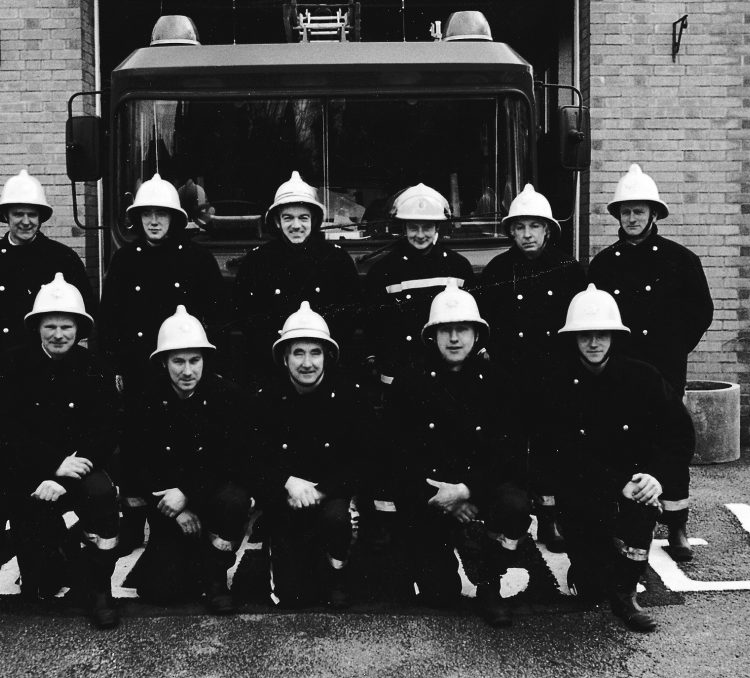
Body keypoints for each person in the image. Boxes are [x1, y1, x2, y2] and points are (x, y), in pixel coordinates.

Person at [543, 283, 694, 632]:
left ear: (614, 335)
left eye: (602, 334)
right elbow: (559, 452)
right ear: (573, 338)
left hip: (635, 485)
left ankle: (627, 592)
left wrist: (657, 476)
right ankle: (587, 562)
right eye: (584, 335)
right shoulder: (556, 384)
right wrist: (615, 484)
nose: (594, 343)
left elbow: (679, 433)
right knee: (590, 583)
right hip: (582, 488)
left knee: (640, 513)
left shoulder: (643, 377)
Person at [0, 169, 96, 552]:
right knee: (1, 448)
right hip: (7, 371)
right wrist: (13, 357)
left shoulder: (62, 258)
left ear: (42, 217)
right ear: (5, 215)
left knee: (51, 440)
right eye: (17, 213)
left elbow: (85, 315)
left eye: (32, 214)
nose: (25, 221)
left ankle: (46, 518)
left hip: (53, 369)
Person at [385, 282, 530, 627]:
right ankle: (447, 549)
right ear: (431, 336)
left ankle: (490, 582)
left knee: (515, 506)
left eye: (462, 329)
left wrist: (466, 491)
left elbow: (509, 452)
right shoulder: (410, 382)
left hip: (478, 490)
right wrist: (440, 496)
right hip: (430, 495)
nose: (454, 338)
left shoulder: (498, 381)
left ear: (477, 335)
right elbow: (395, 451)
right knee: (440, 596)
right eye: (445, 330)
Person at [588, 164, 713, 561]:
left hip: (663, 369)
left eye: (639, 210)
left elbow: (701, 312)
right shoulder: (604, 264)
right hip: (620, 370)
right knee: (617, 441)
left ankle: (677, 524)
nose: (632, 217)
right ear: (617, 216)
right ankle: (620, 518)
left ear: (654, 213)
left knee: (668, 439)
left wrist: (674, 347)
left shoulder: (681, 259)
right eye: (625, 211)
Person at [0, 273, 121, 629]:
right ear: (37, 327)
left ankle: (99, 586)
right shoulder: (10, 366)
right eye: (51, 326)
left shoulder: (97, 369)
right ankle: (55, 554)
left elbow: (106, 430)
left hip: (80, 470)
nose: (59, 334)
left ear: (79, 329)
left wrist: (66, 477)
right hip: (28, 471)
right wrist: (51, 465)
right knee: (40, 585)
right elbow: (4, 428)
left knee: (102, 494)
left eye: (67, 326)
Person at [100, 174, 226, 553]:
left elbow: (216, 317)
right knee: (138, 442)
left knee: (188, 440)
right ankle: (135, 521)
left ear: (175, 217)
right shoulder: (125, 259)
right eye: (146, 214)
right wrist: (114, 366)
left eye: (162, 214)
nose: (154, 222)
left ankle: (190, 508)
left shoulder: (197, 260)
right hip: (140, 369)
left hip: (184, 367)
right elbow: (110, 320)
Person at [477, 184, 586, 553]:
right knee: (509, 447)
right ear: (511, 230)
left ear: (547, 230)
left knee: (551, 447)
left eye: (534, 227)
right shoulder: (496, 270)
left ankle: (550, 519)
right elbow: (482, 323)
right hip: (508, 377)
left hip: (554, 376)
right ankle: (513, 518)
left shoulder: (569, 272)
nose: (527, 235)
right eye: (520, 227)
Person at [128, 306, 252, 613]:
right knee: (159, 591)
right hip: (167, 505)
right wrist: (177, 511)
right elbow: (136, 461)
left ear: (204, 360)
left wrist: (188, 493)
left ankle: (216, 576)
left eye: (194, 360)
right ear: (164, 362)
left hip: (210, 498)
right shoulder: (146, 401)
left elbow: (233, 458)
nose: (187, 371)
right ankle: (190, 558)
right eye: (178, 361)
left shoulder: (227, 395)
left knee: (234, 499)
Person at [252, 301, 370, 608]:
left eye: (315, 352)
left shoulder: (349, 397)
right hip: (287, 498)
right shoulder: (266, 400)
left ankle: (338, 573)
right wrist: (286, 482)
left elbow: (363, 459)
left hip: (331, 498)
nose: (307, 363)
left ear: (327, 356)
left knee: (336, 521)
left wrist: (323, 491)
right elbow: (254, 457)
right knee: (292, 596)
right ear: (285, 358)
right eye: (298, 353)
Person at [233, 171, 361, 385]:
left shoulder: (336, 260)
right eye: (287, 218)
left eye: (303, 218)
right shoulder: (257, 262)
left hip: (324, 369)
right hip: (271, 368)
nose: (296, 225)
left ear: (314, 219)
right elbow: (248, 319)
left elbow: (349, 317)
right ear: (276, 220)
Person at [364, 183, 475, 387]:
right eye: (414, 227)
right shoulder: (383, 271)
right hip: (400, 376)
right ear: (403, 227)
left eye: (427, 227)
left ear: (438, 227)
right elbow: (375, 327)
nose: (421, 234)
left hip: (448, 377)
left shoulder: (458, 267)